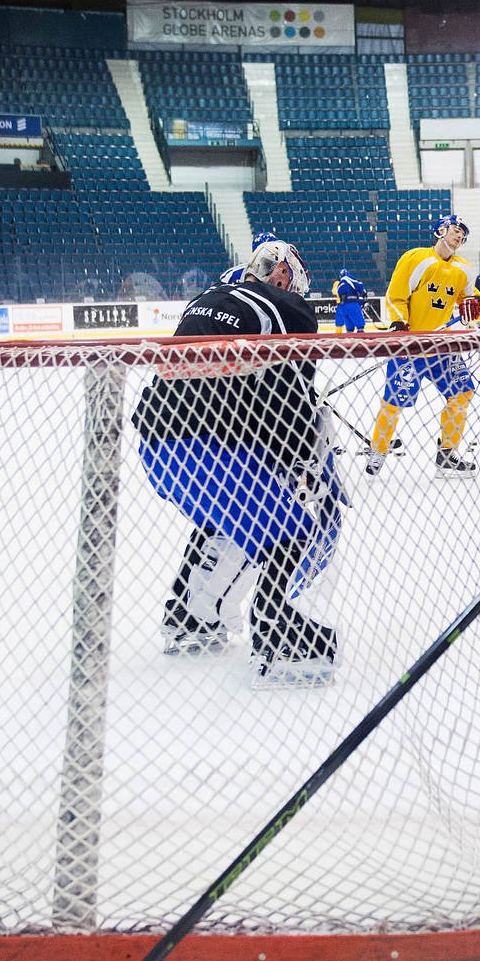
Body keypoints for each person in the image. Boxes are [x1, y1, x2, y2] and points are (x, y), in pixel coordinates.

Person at [132, 238, 342, 686]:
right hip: (216, 453)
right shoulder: (289, 308)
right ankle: (280, 637)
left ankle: (192, 618)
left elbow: (208, 385)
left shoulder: (204, 300)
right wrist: (303, 458)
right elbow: (289, 398)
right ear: (284, 276)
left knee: (231, 521)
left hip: (158, 448)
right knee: (296, 536)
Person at [369, 213, 475, 478]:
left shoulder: (463, 269)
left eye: (463, 232)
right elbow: (395, 295)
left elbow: (472, 302)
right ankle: (379, 449)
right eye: (455, 229)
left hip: (442, 346)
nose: (459, 234)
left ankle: (447, 454)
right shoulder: (416, 258)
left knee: (462, 393)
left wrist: (476, 308)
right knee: (395, 401)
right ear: (440, 230)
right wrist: (398, 322)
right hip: (410, 345)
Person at [332, 269, 368, 333]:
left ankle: (348, 337)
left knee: (348, 328)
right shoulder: (347, 278)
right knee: (360, 325)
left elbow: (336, 291)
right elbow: (359, 286)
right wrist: (364, 297)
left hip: (342, 305)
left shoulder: (339, 283)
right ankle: (360, 335)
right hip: (352, 303)